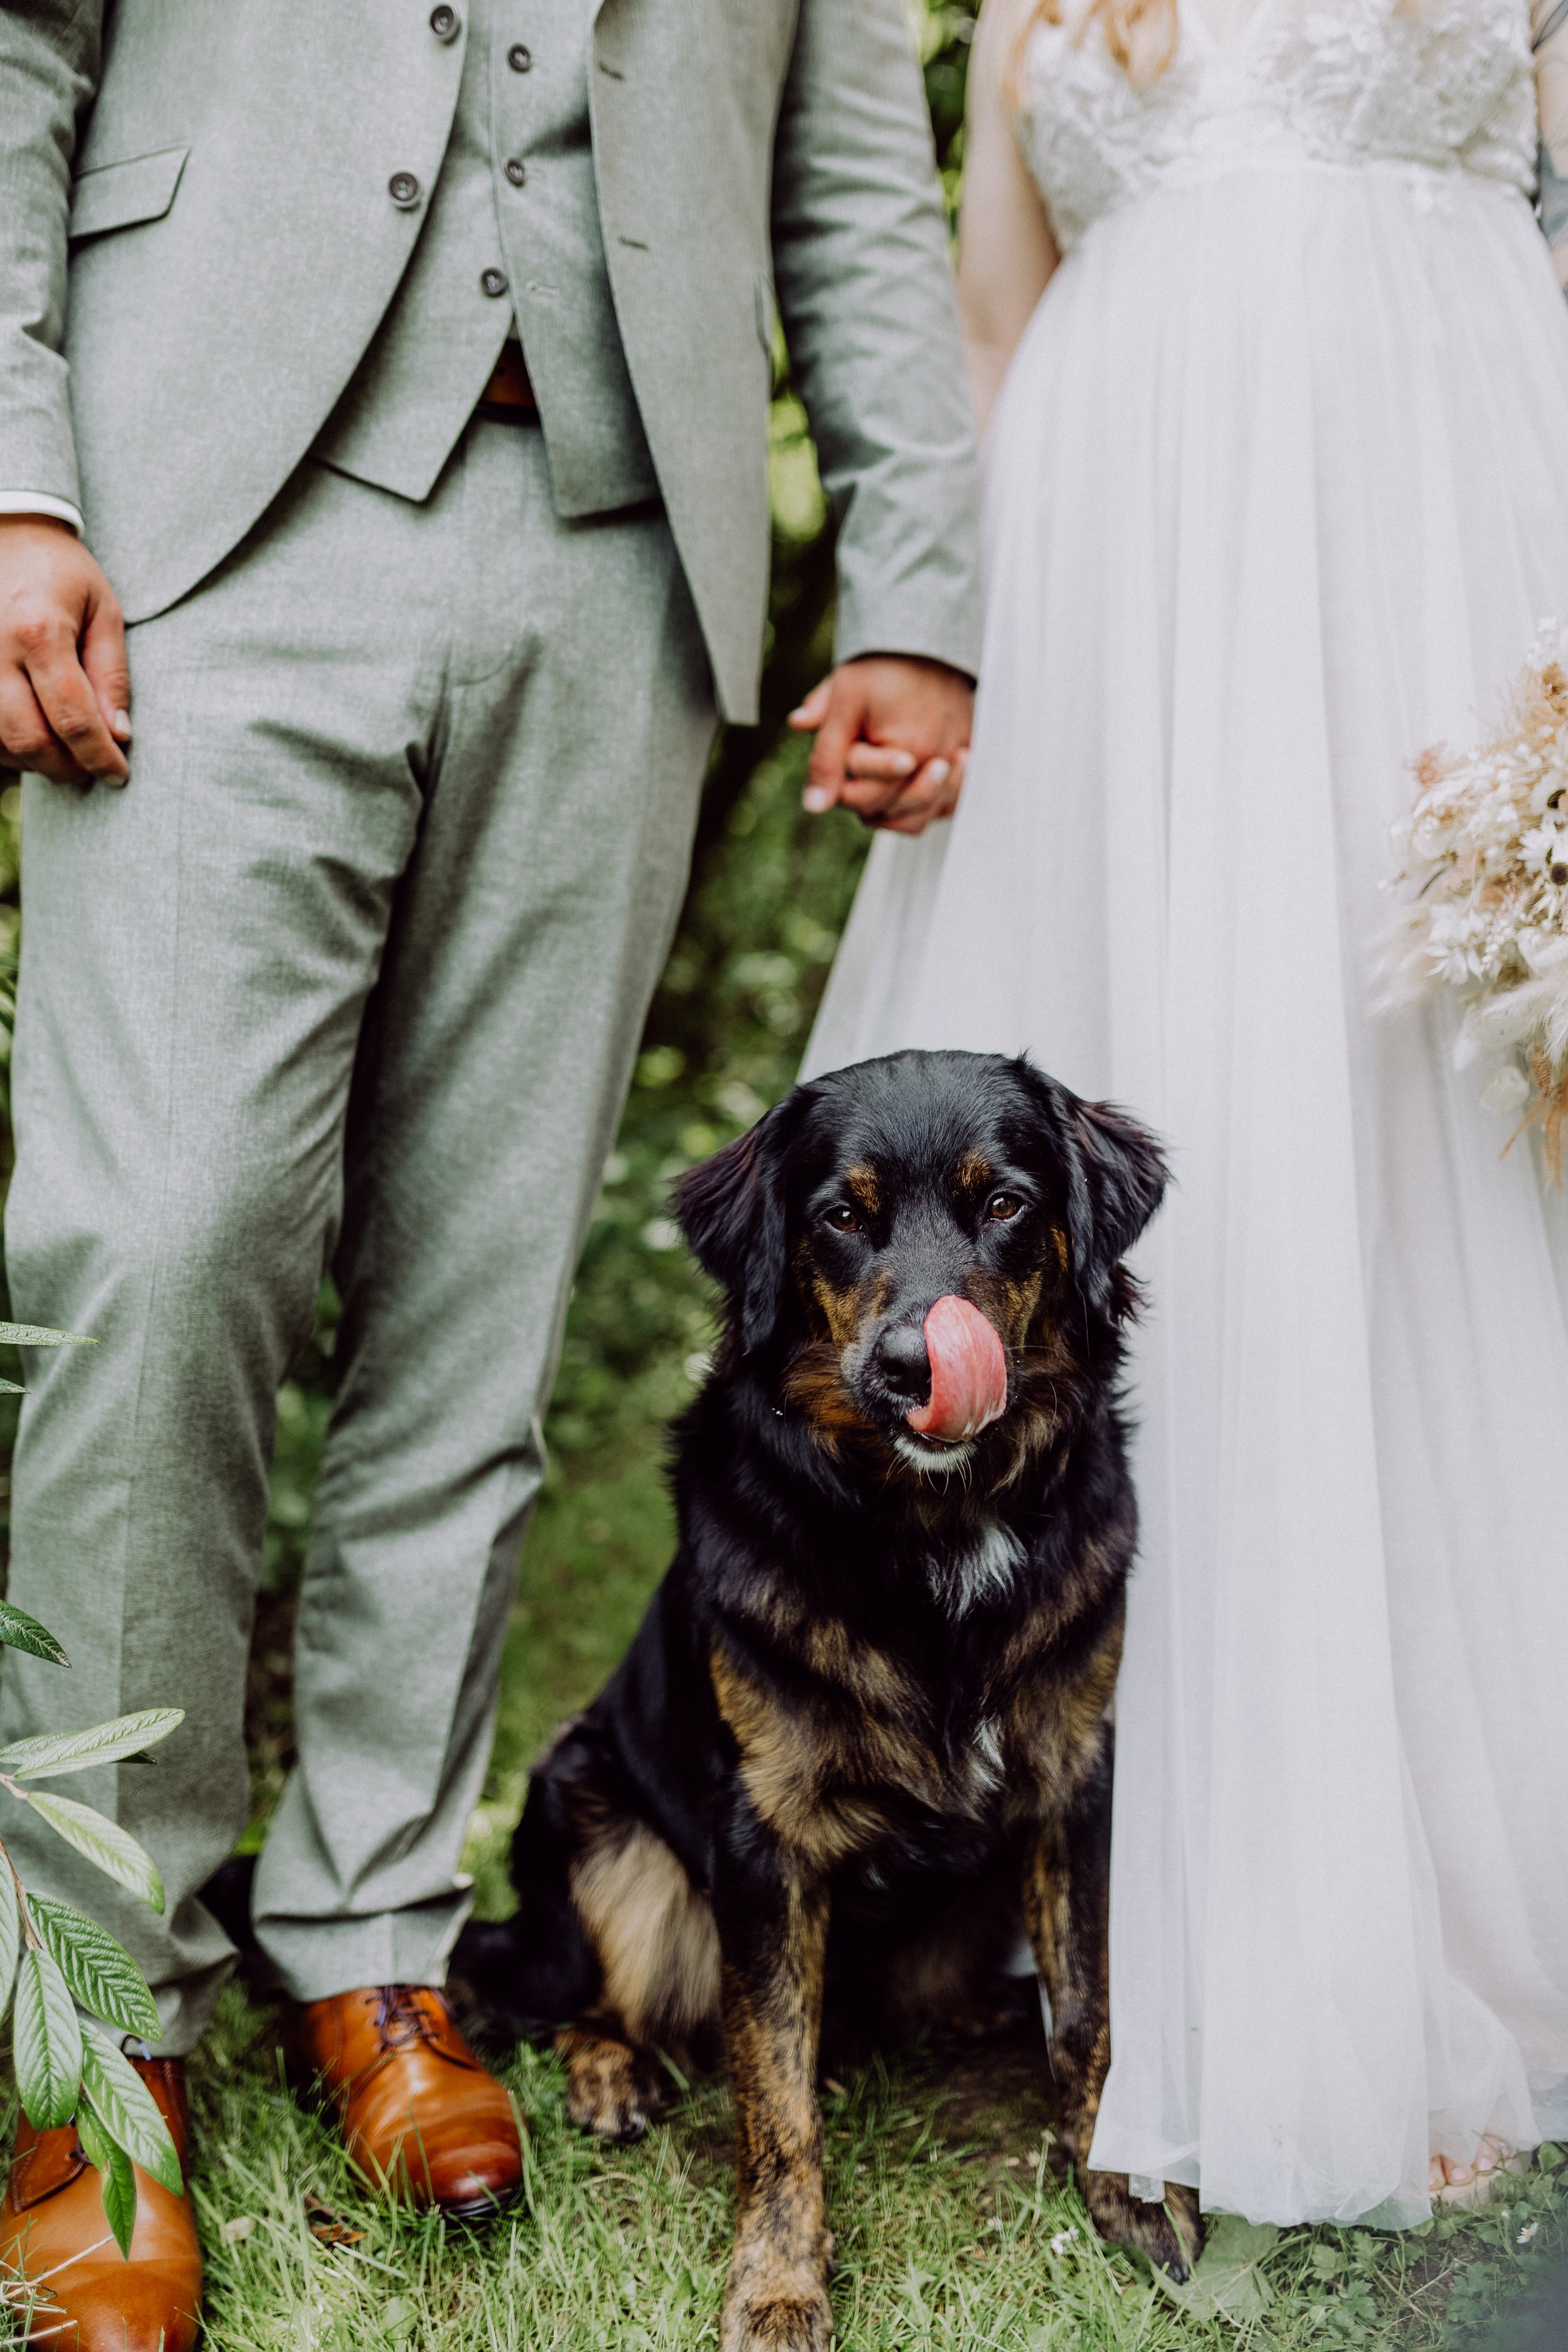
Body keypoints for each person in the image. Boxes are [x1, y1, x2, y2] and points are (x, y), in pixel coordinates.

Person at [0, 3, 980, 2341]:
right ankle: (87, 2021)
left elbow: (848, 173)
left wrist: (916, 581)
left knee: (486, 1292)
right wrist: (17, 479)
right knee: (159, 1245)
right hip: (207, 509)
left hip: (614, 560)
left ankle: (370, 1937)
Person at [803, 0, 1568, 2230]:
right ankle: (1143, 1927)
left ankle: (1460, 1921)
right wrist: (930, 641)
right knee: (1162, 1231)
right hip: (1114, 611)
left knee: (1439, 1193)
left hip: (1443, 547)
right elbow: (982, 330)